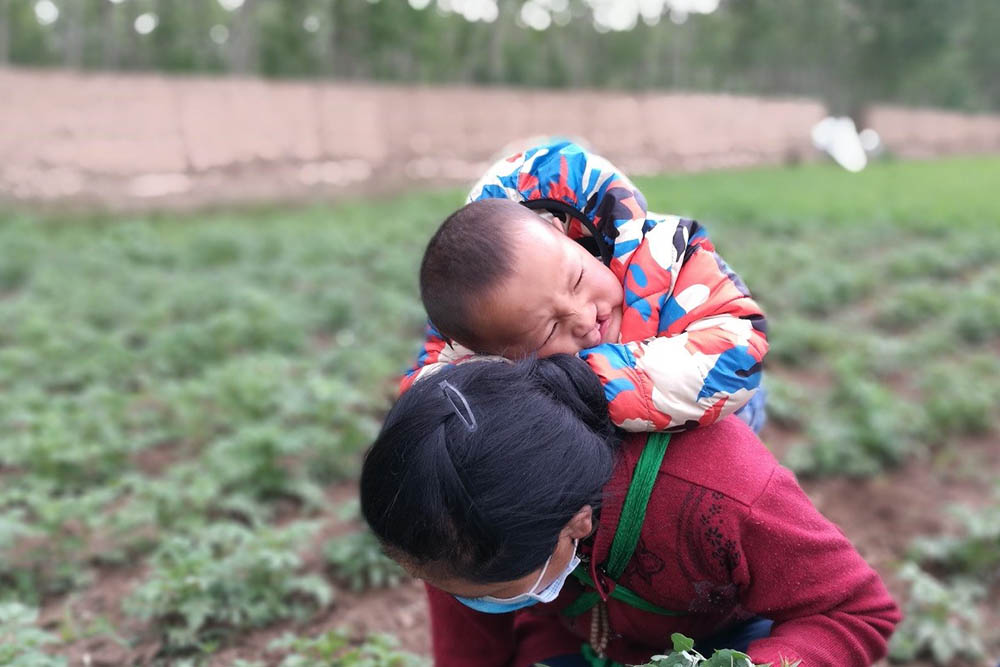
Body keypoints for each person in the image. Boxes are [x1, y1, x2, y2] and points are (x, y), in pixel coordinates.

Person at [361, 356, 901, 666]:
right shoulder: (450, 511)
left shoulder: (723, 494)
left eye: (482, 592)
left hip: (723, 640)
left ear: (575, 523)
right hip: (579, 640)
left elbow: (857, 612)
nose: (456, 598)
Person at [403, 139, 768, 434]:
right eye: (548, 330)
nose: (583, 317)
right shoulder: (481, 325)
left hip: (731, 412)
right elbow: (430, 401)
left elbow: (739, 351)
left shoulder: (665, 254)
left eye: (577, 279)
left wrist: (576, 382)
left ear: (565, 235)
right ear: (502, 353)